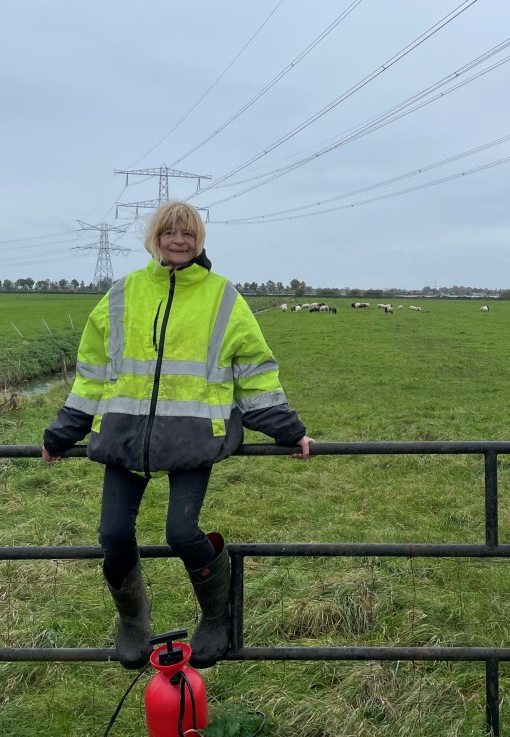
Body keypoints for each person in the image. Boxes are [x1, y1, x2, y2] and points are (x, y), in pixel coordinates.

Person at [42, 200, 313, 670]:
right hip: (126, 438)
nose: (178, 240)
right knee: (112, 534)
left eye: (188, 233)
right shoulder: (123, 294)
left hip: (192, 440)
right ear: (155, 238)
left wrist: (290, 433)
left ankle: (215, 615)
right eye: (169, 232)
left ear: (200, 239)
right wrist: (64, 432)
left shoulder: (223, 297)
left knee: (181, 531)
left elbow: (254, 373)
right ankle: (133, 621)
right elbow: (92, 374)